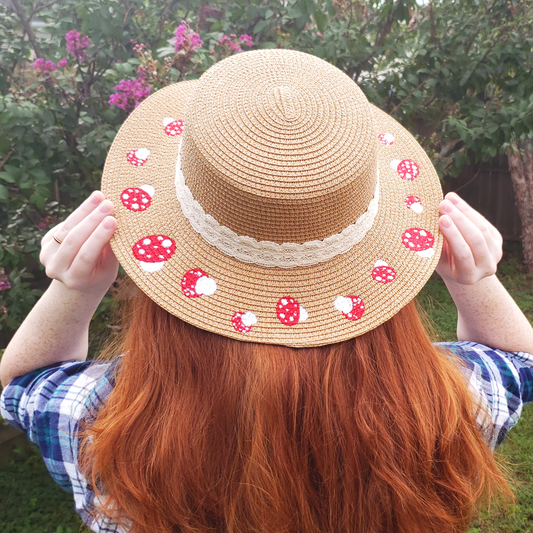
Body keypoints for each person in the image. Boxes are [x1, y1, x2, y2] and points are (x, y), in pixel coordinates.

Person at [1, 49, 532, 533]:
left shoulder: (106, 425)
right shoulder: (441, 409)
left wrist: (74, 290)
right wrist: (476, 282)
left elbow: (22, 382)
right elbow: (519, 362)